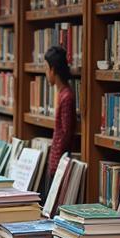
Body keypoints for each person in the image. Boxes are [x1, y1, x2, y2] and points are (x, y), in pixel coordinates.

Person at [45, 44, 76, 179]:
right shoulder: (61, 94)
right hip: (56, 162)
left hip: (60, 166)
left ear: (53, 70)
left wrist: (56, 163)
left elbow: (65, 134)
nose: (46, 74)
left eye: (46, 69)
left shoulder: (66, 96)